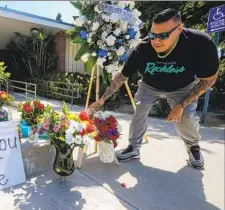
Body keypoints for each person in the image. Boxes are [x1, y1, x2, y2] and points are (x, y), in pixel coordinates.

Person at [87, 9, 219, 169]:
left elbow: (209, 79)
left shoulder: (200, 43)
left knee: (186, 118)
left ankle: (193, 147)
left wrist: (181, 104)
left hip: (183, 87)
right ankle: (133, 148)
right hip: (150, 85)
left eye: (163, 36)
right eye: (152, 35)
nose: (156, 41)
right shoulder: (142, 48)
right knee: (140, 110)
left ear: (179, 29)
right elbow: (122, 77)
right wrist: (101, 100)